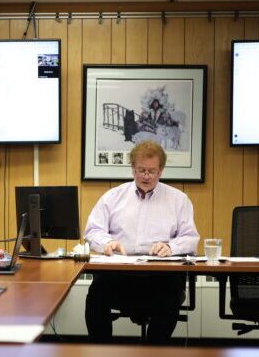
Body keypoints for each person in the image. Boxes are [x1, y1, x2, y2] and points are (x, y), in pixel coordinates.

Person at [84, 140, 199, 344]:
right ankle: (100, 354)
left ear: (161, 171)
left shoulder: (178, 200)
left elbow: (190, 238)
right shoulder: (112, 197)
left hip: (159, 276)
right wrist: (107, 243)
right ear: (132, 169)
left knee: (169, 299)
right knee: (96, 294)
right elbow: (93, 230)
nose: (146, 176)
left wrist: (171, 247)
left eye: (152, 171)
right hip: (119, 275)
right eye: (141, 170)